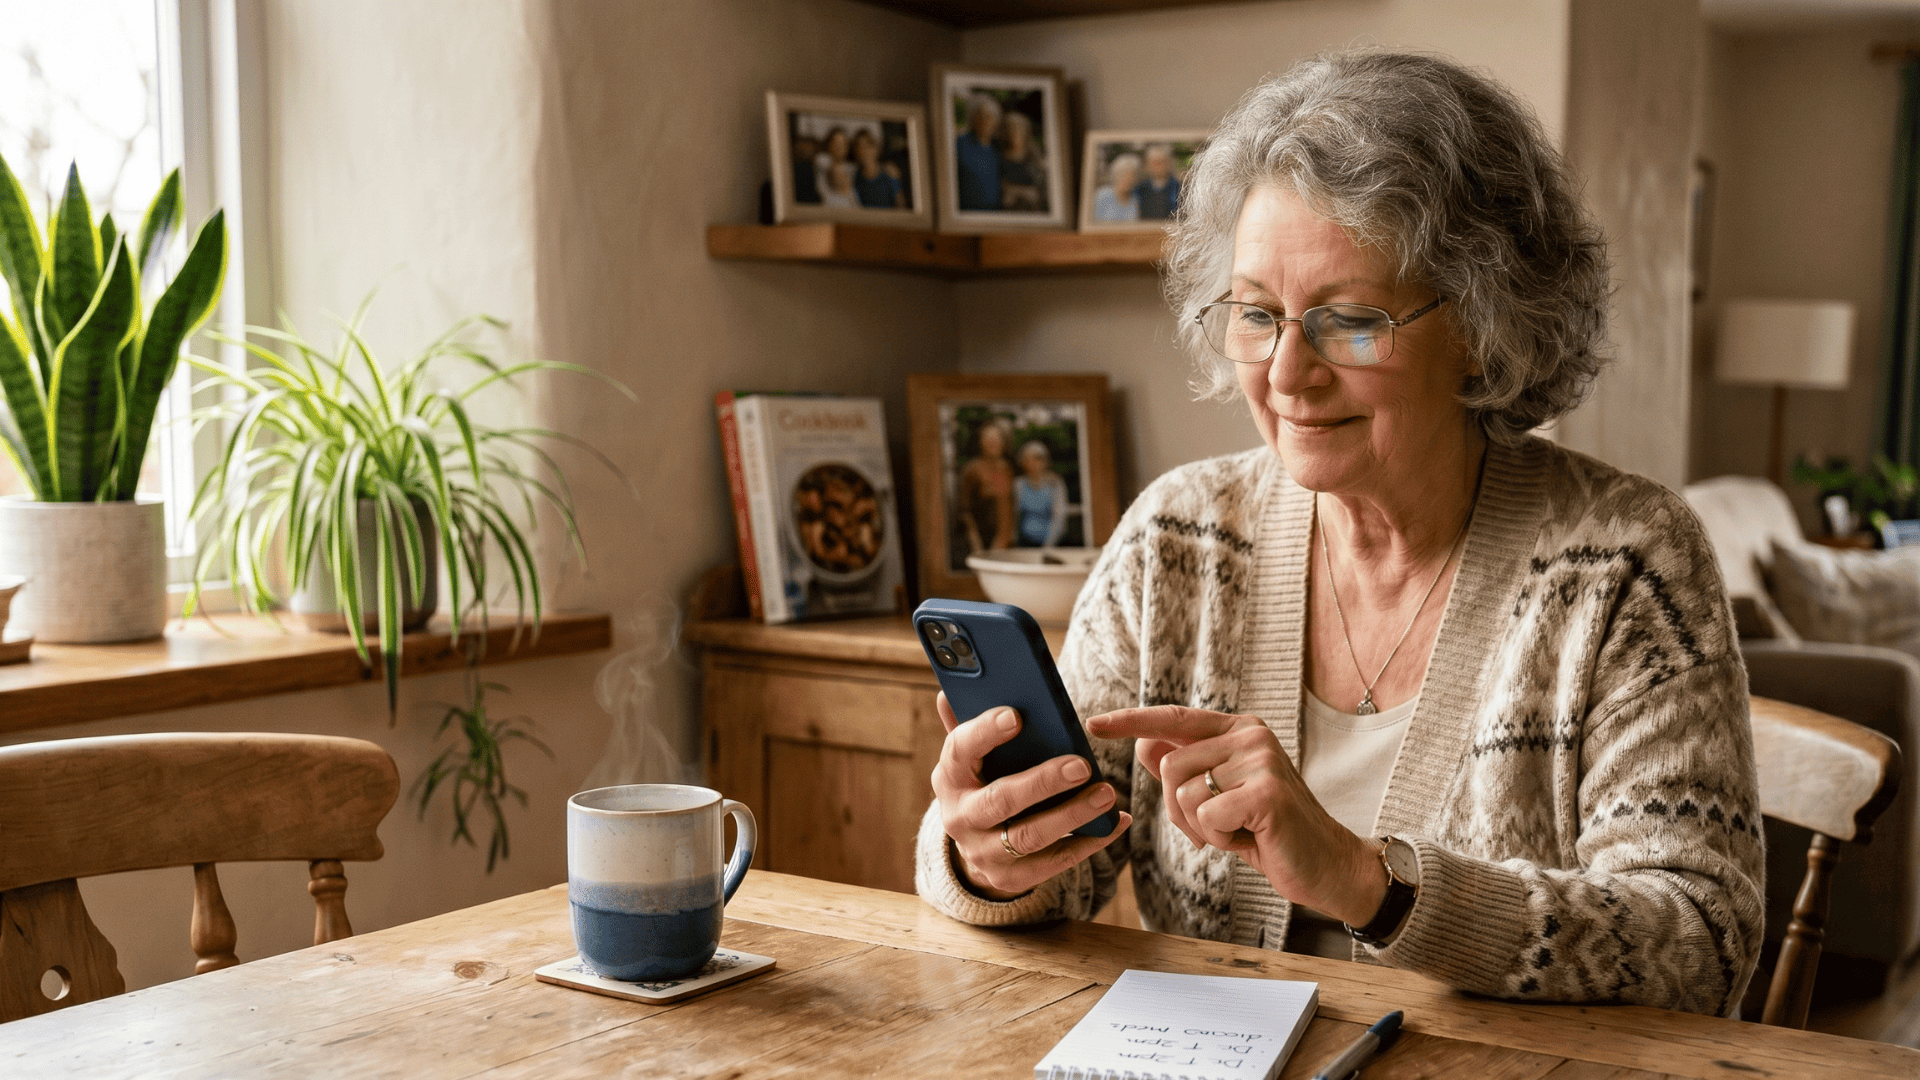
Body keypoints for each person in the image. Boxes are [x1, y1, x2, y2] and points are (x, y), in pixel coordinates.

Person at [915, 49, 1764, 1018]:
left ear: (1484, 325)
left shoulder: (1626, 560)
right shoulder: (1179, 539)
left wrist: (1371, 884)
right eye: (1257, 315)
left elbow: (1703, 943)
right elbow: (1060, 867)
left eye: (1351, 321)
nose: (1288, 375)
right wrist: (987, 853)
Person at [958, 419, 1016, 563]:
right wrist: (976, 546)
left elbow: (1008, 507)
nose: (993, 442)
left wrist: (1004, 540)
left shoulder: (1007, 469)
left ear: (1004, 442)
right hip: (980, 544)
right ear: (980, 442)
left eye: (997, 438)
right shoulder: (972, 470)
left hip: (1005, 543)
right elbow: (964, 511)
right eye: (988, 438)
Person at [1013, 440, 1069, 547]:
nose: (1033, 463)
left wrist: (1048, 545)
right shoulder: (1019, 484)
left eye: (1037, 459)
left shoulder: (1054, 483)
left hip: (1052, 543)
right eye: (1028, 459)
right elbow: (1015, 516)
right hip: (1025, 542)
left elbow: (1059, 517)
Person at [955, 93, 1003, 212]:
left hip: (995, 213)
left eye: (990, 117)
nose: (986, 121)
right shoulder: (960, 144)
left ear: (996, 121)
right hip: (966, 212)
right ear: (972, 118)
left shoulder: (999, 147)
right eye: (980, 116)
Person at [997, 111, 1046, 212]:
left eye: (1019, 127)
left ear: (1026, 131)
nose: (1014, 131)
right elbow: (999, 187)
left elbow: (1040, 187)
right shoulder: (999, 155)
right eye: (1010, 127)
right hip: (1008, 210)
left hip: (1033, 210)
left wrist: (1017, 191)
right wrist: (1023, 192)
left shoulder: (1033, 155)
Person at [850, 129, 906, 209]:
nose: (864, 151)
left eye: (868, 146)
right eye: (860, 147)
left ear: (876, 149)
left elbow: (901, 205)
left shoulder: (889, 172)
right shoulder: (854, 177)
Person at [1135, 143, 1180, 220]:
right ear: (1147, 165)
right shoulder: (1140, 189)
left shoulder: (1179, 188)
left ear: (1169, 163)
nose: (1158, 167)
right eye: (1154, 163)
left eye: (1161, 162)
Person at [1091, 153, 1141, 222]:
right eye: (1122, 174)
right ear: (1115, 175)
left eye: (1131, 176)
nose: (1127, 179)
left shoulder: (1134, 200)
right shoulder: (1101, 196)